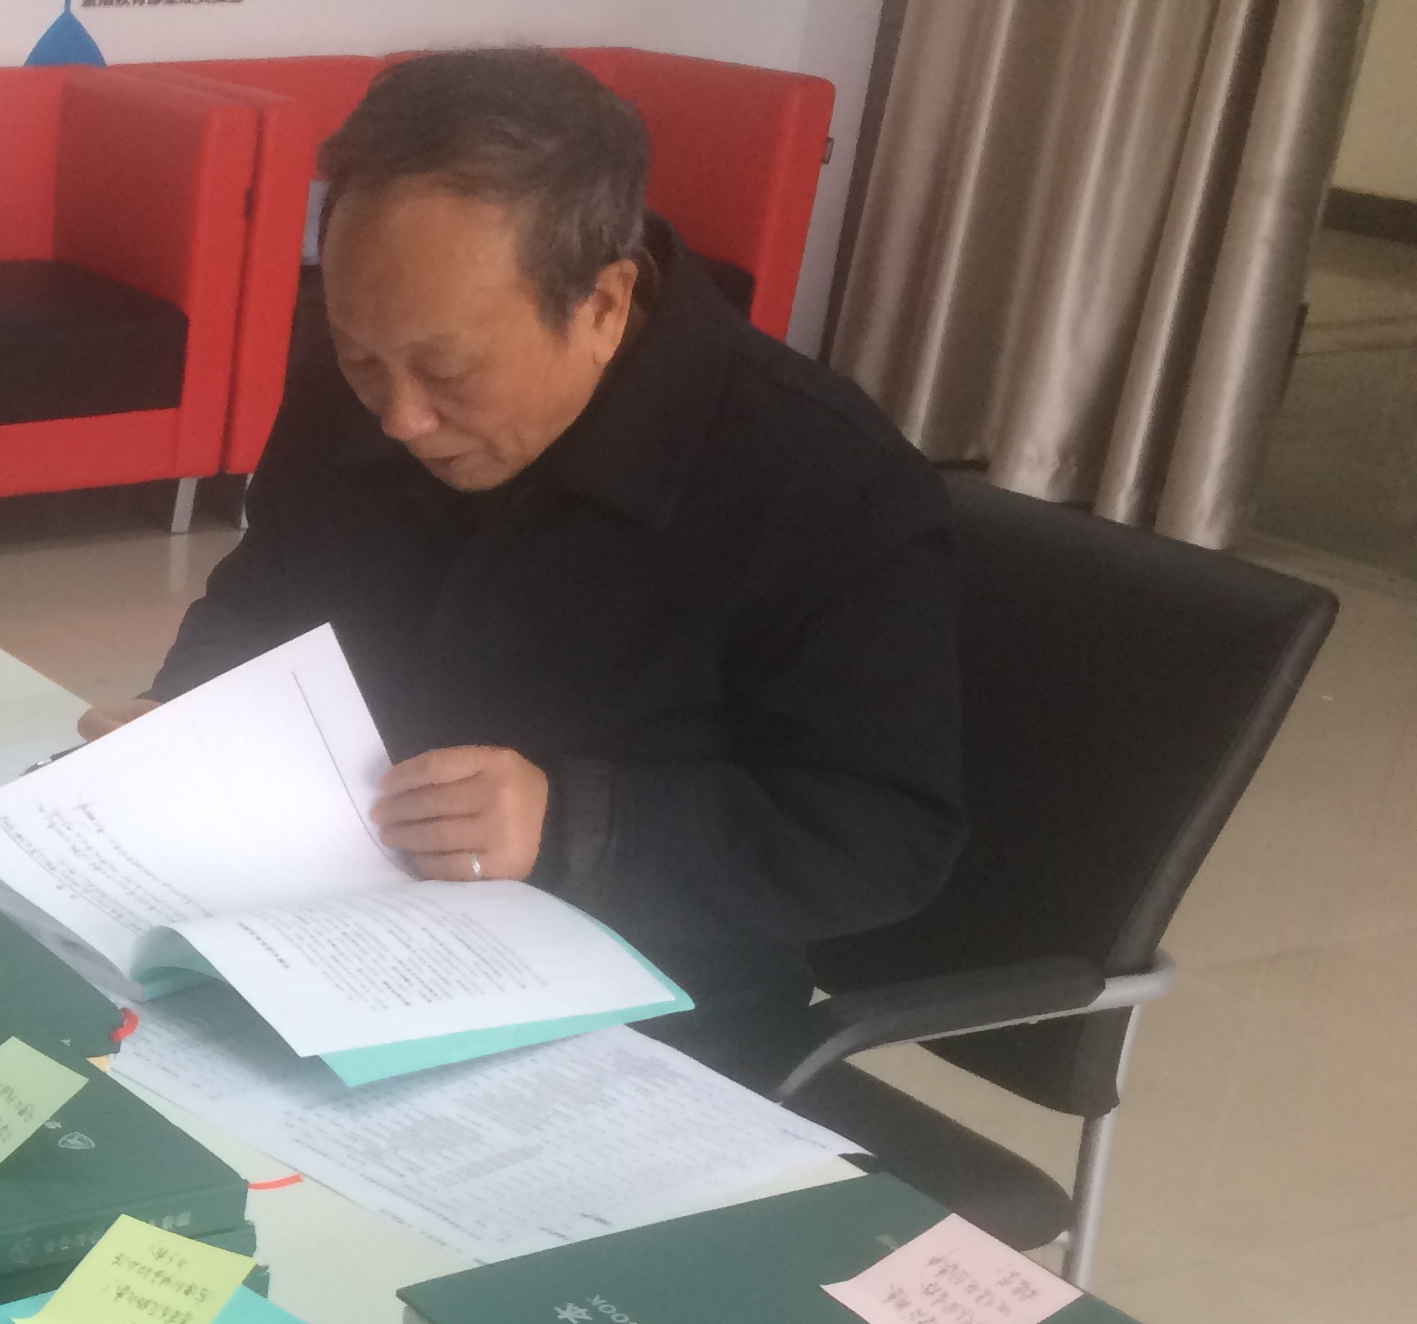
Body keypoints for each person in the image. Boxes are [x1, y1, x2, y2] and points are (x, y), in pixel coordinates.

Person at [85, 48, 964, 1079]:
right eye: (362, 356)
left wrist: (574, 825)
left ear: (602, 306)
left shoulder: (819, 480)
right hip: (331, 937)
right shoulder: (366, 370)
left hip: (644, 1016)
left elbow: (886, 835)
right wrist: (183, 719)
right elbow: (266, 593)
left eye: (449, 371)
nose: (401, 416)